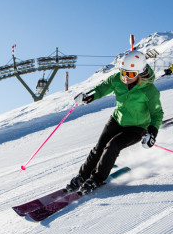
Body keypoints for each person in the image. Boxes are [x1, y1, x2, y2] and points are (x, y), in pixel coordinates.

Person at [68, 50, 164, 194]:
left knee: (112, 146)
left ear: (141, 72)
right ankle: (82, 176)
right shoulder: (117, 79)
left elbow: (157, 113)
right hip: (117, 119)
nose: (125, 77)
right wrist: (89, 97)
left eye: (130, 74)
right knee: (99, 148)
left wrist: (152, 133)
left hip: (137, 128)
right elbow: (103, 88)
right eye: (123, 72)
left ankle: (96, 179)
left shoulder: (149, 91)